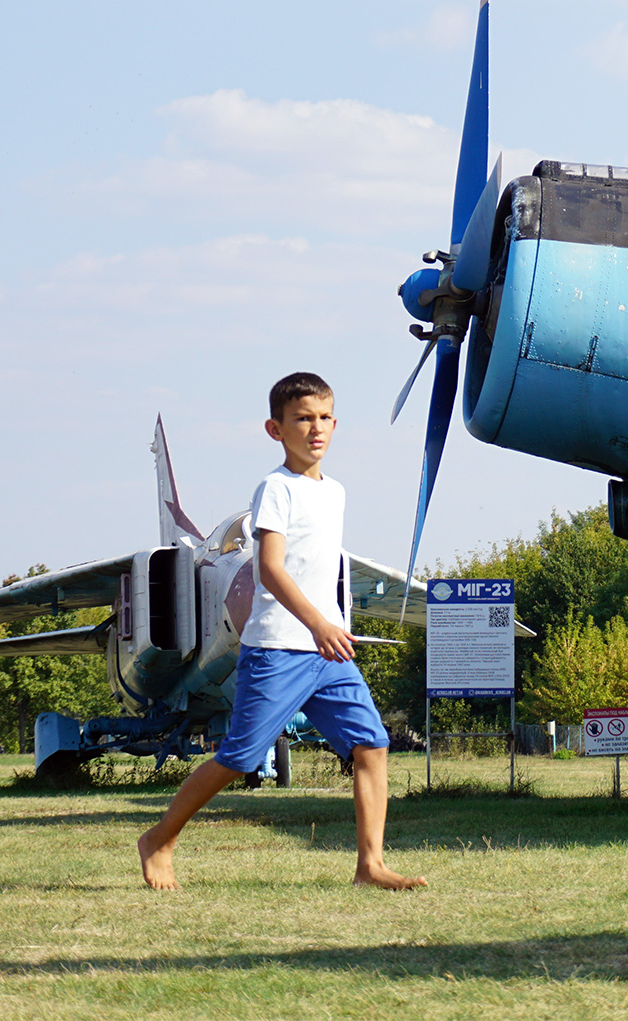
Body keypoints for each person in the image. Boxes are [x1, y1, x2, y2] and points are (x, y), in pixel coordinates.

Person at [138, 372, 426, 891]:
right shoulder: (275, 488)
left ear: (335, 424)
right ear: (276, 429)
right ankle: (159, 838)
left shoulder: (335, 492)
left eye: (324, 418)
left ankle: (370, 866)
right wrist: (318, 624)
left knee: (371, 745)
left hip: (329, 652)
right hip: (279, 648)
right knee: (239, 758)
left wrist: (329, 628)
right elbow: (269, 569)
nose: (315, 428)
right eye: (302, 419)